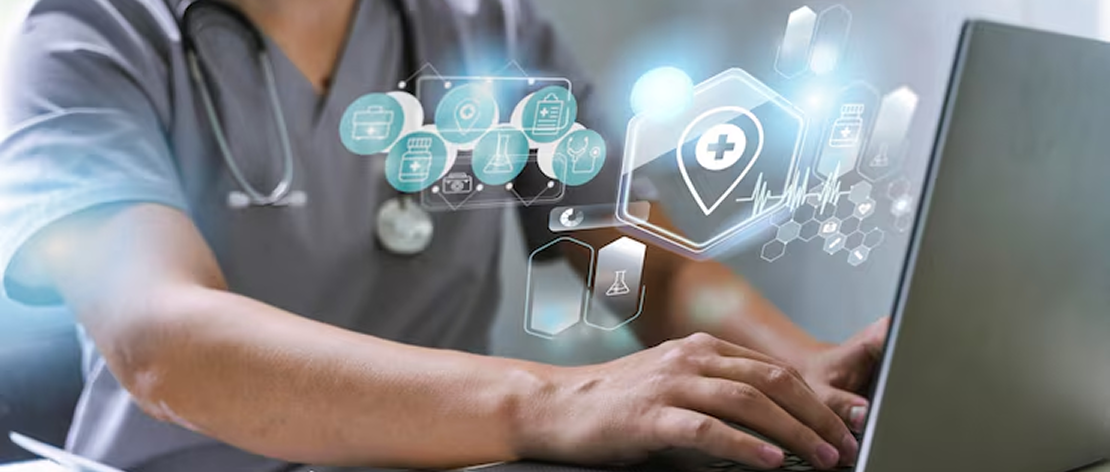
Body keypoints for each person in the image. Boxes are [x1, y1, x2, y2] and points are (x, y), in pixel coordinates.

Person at [0, 0, 888, 470]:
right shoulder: (89, 35)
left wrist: (799, 371)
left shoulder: (483, 27)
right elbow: (163, 342)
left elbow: (623, 261)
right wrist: (551, 403)